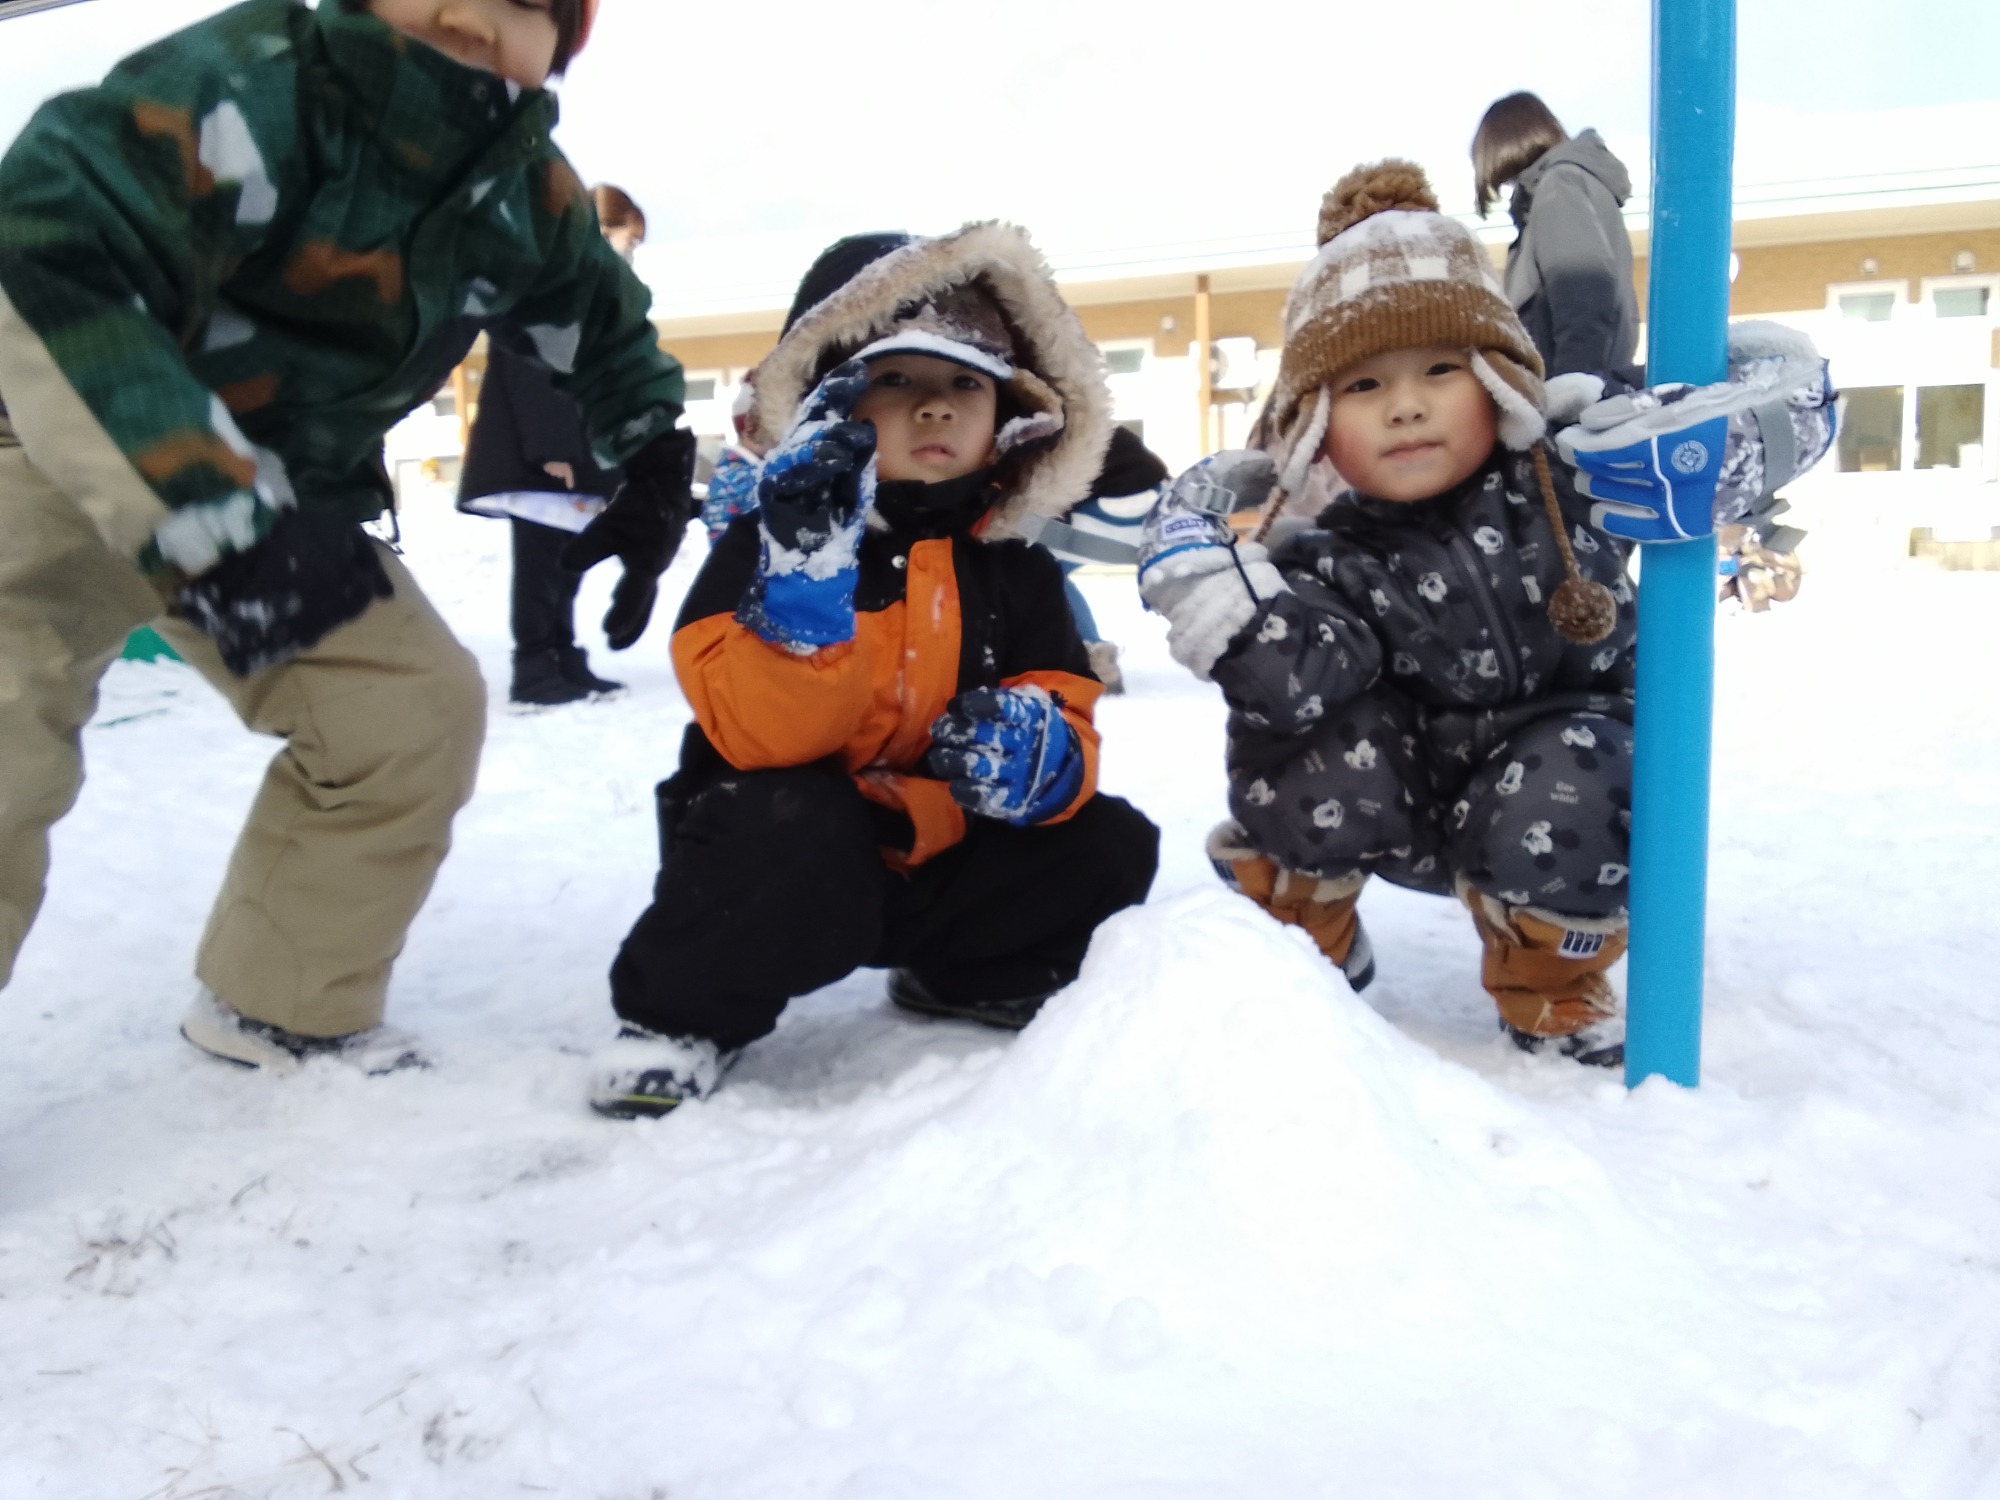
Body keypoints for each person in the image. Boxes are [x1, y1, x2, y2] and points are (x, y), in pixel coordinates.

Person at [0, 0, 697, 1073]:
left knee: (407, 713)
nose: (469, 16)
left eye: (522, 3)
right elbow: (51, 247)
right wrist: (210, 517)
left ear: (564, 40)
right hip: (58, 445)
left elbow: (596, 319)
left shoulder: (519, 186)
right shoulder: (259, 79)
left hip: (282, 502)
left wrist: (653, 459)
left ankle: (275, 1003)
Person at [1136, 162, 1832, 1066]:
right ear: (1314, 422)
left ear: (1502, 381)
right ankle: (1305, 936)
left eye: (1439, 369)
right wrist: (1208, 584)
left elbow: (1782, 394)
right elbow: (1289, 685)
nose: (1408, 405)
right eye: (1363, 387)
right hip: (1407, 799)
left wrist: (1714, 444)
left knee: (1579, 759)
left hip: (1560, 800)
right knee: (1302, 732)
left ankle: (1546, 979)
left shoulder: (1576, 481)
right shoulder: (1331, 554)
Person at [593, 224, 1161, 1118]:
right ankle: (681, 1020)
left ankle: (967, 976)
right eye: (895, 380)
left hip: (941, 848)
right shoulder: (767, 546)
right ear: (824, 400)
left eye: (963, 384)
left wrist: (1045, 758)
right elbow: (759, 736)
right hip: (793, 860)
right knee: (780, 814)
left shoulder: (1012, 564)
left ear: (1008, 415)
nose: (935, 408)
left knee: (1109, 844)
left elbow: (1062, 693)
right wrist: (801, 599)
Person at [460, 184, 652, 707]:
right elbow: (531, 369)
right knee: (540, 568)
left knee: (565, 567)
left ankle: (561, 657)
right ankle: (533, 669)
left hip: (575, 457)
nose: (628, 251)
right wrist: (551, 449)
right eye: (624, 238)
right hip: (543, 462)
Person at [1472, 91, 1639, 380]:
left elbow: (1582, 294)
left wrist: (1572, 388)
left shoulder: (1559, 186)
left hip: (1577, 390)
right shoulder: (1569, 184)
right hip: (1591, 381)